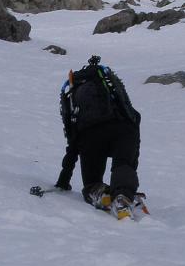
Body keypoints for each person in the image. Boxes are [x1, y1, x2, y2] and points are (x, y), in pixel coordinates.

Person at [56, 55, 146, 219]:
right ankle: (123, 196)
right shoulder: (112, 93)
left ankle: (97, 190)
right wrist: (131, 174)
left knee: (91, 181)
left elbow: (72, 142)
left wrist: (63, 179)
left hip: (90, 137)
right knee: (123, 164)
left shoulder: (74, 99)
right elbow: (134, 117)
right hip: (124, 129)